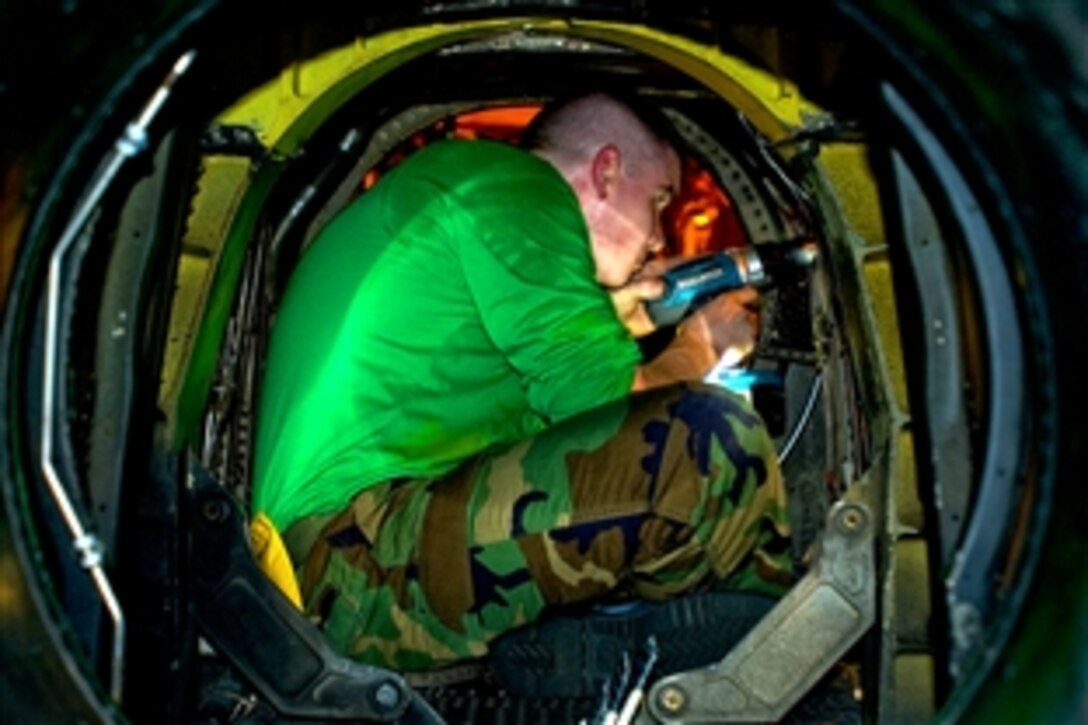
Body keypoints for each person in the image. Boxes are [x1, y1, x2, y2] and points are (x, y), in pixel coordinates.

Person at [251, 92, 791, 671]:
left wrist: (610, 319)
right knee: (707, 441)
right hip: (357, 559)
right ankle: (778, 675)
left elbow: (528, 405)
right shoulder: (516, 187)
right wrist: (700, 346)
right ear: (606, 171)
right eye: (658, 200)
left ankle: (650, 664)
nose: (660, 238)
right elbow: (609, 410)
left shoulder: (469, 197)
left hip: (350, 563)